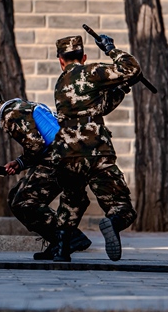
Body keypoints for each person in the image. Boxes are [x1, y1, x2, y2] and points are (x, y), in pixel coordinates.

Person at [0, 86, 92, 260]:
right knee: (15, 196)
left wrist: (22, 161)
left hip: (62, 158)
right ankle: (59, 241)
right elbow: (39, 143)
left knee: (23, 201)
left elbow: (36, 145)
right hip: (67, 154)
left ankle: (68, 238)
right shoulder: (17, 106)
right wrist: (19, 163)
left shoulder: (9, 115)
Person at [52, 34, 139, 262]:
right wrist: (111, 49)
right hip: (95, 151)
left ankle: (61, 251)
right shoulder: (91, 71)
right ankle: (113, 222)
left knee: (71, 200)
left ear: (61, 60)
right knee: (122, 207)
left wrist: (122, 87)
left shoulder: (61, 83)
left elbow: (99, 106)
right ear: (84, 57)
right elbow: (131, 68)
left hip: (66, 153)